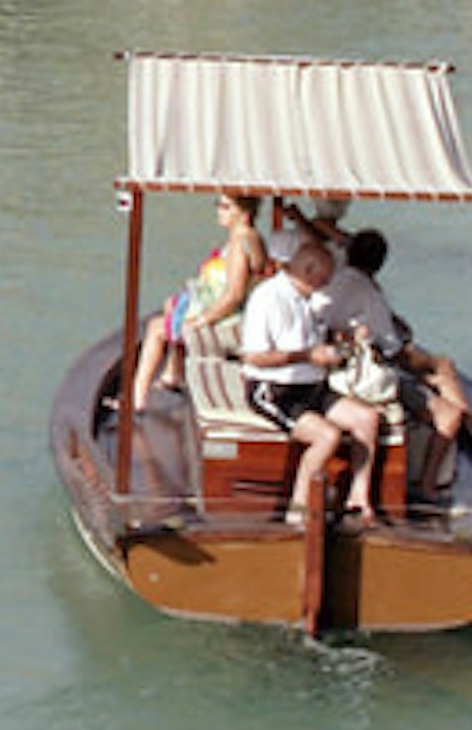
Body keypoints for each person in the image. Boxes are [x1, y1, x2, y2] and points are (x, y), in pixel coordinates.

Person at [240, 219, 387, 526]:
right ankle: (299, 510)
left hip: (312, 387)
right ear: (308, 273)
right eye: (324, 280)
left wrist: (342, 339)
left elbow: (315, 335)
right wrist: (307, 355)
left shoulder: (308, 300)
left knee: (367, 419)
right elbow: (253, 356)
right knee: (327, 436)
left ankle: (358, 498)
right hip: (274, 389)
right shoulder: (268, 299)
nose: (327, 287)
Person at [320, 224, 472, 458]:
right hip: (359, 377)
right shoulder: (369, 295)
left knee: (438, 372)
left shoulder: (331, 282)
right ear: (380, 263)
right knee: (444, 373)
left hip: (333, 367)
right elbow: (394, 351)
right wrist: (430, 363)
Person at [130, 189, 267, 424]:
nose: (218, 211)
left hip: (232, 318)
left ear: (243, 212)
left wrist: (203, 320)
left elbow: (233, 294)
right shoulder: (253, 237)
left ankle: (137, 399)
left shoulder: (239, 242)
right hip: (237, 311)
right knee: (174, 308)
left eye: (225, 207)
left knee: (156, 329)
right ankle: (171, 374)